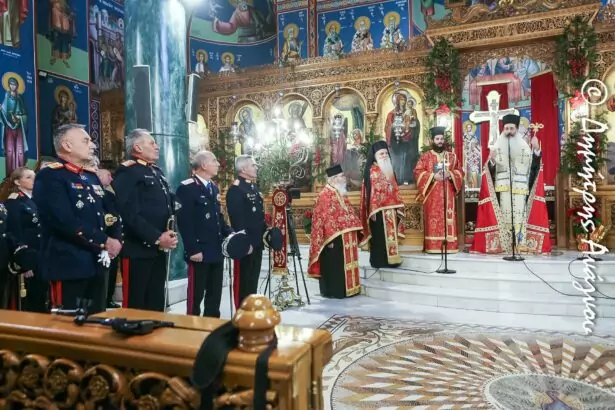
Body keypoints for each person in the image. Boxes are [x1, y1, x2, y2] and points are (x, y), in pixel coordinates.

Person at [33, 124, 122, 313]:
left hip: (97, 262)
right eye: (86, 141)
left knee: (96, 319)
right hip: (69, 264)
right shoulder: (50, 176)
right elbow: (64, 221)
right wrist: (104, 241)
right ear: (67, 145)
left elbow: (109, 213)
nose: (93, 145)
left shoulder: (90, 177)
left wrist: (116, 238)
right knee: (68, 323)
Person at [112, 129, 177, 312]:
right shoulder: (128, 172)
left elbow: (166, 205)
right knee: (137, 304)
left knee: (156, 302)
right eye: (151, 143)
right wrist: (156, 237)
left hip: (158, 248)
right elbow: (128, 213)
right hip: (138, 248)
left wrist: (168, 234)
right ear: (138, 147)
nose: (157, 146)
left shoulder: (156, 171)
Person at [471, 114, 551, 254]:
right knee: (504, 217)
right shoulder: (497, 146)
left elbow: (533, 168)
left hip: (520, 188)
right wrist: (492, 161)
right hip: (502, 190)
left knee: (520, 216)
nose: (509, 131)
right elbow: (489, 172)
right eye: (506, 128)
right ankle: (506, 244)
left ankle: (520, 243)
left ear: (516, 129)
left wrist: (536, 149)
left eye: (511, 128)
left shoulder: (525, 147)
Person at [176, 151, 235, 318]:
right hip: (199, 251)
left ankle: (212, 324)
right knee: (196, 295)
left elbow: (218, 217)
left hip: (216, 249)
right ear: (203, 165)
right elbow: (185, 222)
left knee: (214, 294)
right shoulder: (187, 188)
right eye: (214, 160)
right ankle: (192, 325)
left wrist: (231, 233)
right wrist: (193, 249)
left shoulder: (213, 187)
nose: (218, 164)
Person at [308, 165, 363, 298]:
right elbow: (324, 219)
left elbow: (349, 212)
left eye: (343, 176)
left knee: (344, 263)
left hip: (345, 236)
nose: (344, 178)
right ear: (333, 179)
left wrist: (355, 228)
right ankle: (336, 291)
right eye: (341, 176)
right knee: (335, 265)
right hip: (332, 239)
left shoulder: (341, 192)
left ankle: (350, 288)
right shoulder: (324, 195)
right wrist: (329, 238)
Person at [3, 167, 48, 312]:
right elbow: (15, 233)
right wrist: (24, 262)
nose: (33, 180)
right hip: (28, 255)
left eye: (34, 177)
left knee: (41, 295)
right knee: (31, 299)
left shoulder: (36, 199)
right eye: (28, 177)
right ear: (18, 182)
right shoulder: (15, 202)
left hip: (40, 253)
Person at [414, 127, 464, 253]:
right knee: (433, 220)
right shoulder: (425, 157)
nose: (440, 141)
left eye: (441, 139)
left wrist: (450, 174)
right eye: (437, 139)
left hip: (448, 194)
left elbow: (460, 172)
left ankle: (450, 246)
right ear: (432, 140)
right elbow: (418, 172)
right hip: (432, 196)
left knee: (448, 218)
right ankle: (433, 246)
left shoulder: (452, 156)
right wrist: (432, 176)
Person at [225, 155, 266, 308]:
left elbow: (258, 217)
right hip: (245, 244)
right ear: (243, 169)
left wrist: (266, 234)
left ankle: (251, 310)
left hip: (257, 242)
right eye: (253, 165)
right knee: (243, 281)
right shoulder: (236, 190)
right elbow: (237, 221)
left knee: (253, 279)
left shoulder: (253, 188)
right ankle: (242, 311)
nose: (256, 167)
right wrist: (244, 243)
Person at [360, 140, 405, 268]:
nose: (384, 156)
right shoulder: (371, 171)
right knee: (379, 237)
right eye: (381, 154)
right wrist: (371, 210)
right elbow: (368, 193)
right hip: (377, 211)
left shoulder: (389, 169)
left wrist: (398, 204)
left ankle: (393, 260)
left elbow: (394, 188)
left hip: (391, 209)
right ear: (375, 156)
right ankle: (378, 261)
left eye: (386, 153)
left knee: (391, 236)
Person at [95, 161, 122, 309]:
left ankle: (108, 299)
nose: (111, 179)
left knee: (111, 274)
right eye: (108, 175)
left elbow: (116, 218)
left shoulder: (109, 195)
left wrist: (117, 240)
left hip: (112, 240)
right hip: (98, 241)